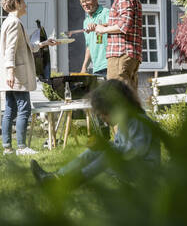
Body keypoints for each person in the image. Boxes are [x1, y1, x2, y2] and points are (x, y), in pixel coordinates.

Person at [30, 79, 160, 186]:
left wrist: (108, 148)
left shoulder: (138, 122)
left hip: (144, 173)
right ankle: (57, 176)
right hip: (131, 169)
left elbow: (134, 153)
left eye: (104, 113)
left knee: (108, 155)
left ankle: (74, 180)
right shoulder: (126, 121)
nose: (103, 118)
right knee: (95, 151)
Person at [0, 0, 58, 156]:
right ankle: (21, 147)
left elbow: (25, 47)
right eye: (23, 2)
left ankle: (7, 148)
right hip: (16, 73)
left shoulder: (10, 21)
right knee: (24, 109)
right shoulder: (14, 22)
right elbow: (11, 49)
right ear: (17, 3)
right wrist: (10, 72)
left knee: (9, 110)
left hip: (13, 72)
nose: (26, 5)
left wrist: (43, 44)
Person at [95, 0, 142, 91]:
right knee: (129, 100)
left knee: (117, 98)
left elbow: (124, 25)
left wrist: (103, 30)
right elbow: (123, 22)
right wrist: (101, 26)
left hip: (120, 54)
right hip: (128, 55)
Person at [78, 0, 110, 76]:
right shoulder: (86, 22)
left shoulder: (106, 13)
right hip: (96, 68)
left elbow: (117, 26)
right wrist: (84, 67)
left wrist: (98, 26)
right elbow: (89, 47)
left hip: (109, 64)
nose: (85, 4)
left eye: (87, 0)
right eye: (82, 2)